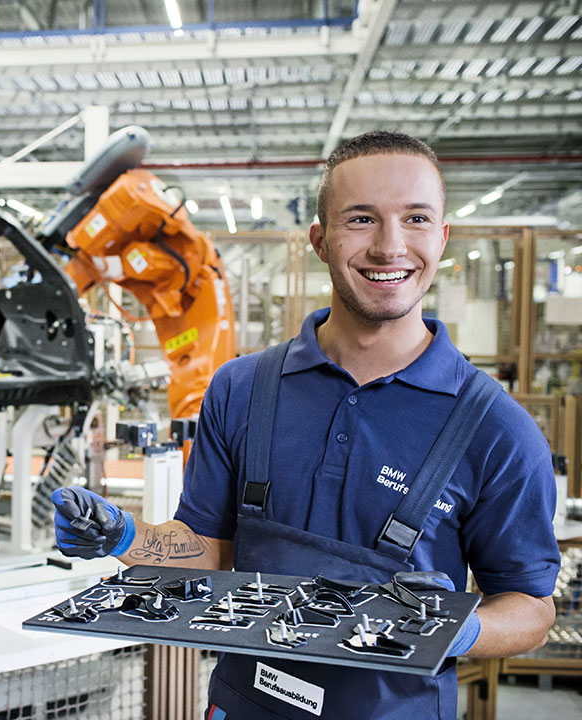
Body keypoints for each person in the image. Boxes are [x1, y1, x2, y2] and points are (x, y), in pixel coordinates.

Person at [52, 130, 560, 720]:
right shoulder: (241, 389)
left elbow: (530, 607)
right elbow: (209, 551)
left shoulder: (496, 429)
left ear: (442, 238)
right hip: (245, 704)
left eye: (416, 219)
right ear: (320, 239)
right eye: (362, 219)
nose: (390, 246)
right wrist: (126, 538)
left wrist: (455, 632)